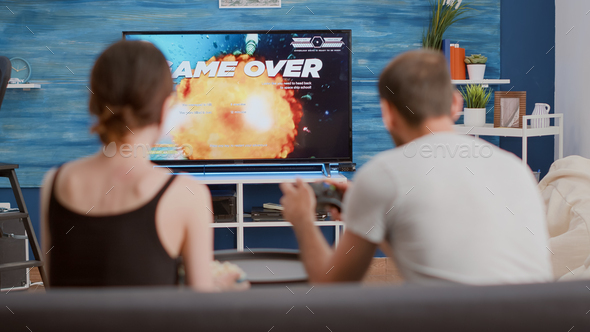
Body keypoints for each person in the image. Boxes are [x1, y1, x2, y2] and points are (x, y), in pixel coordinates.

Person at [280, 50, 553, 285]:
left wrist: (303, 219)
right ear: (456, 103)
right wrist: (367, 212)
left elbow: (331, 286)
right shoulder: (515, 167)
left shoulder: (383, 174)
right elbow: (424, 249)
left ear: (388, 114)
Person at [40, 40, 246, 291]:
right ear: (164, 109)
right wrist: (221, 287)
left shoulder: (55, 182)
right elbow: (199, 312)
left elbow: (55, 290)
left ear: (94, 102)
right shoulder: (188, 194)